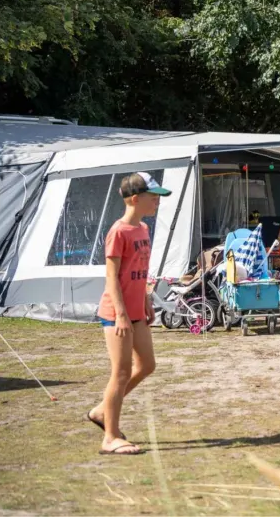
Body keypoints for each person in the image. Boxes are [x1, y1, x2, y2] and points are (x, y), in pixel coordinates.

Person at [87, 172, 172, 455]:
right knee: (121, 372)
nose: (157, 201)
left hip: (137, 311)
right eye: (153, 196)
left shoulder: (143, 230)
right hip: (116, 313)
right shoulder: (118, 232)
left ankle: (102, 411)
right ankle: (110, 437)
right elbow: (111, 277)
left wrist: (146, 298)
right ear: (135, 199)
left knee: (146, 365)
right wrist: (121, 314)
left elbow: (141, 271)